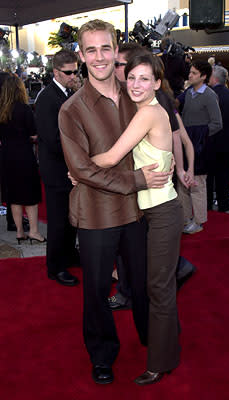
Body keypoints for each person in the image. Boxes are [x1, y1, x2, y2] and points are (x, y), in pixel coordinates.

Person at [59, 19, 171, 385]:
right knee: (95, 291)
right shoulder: (71, 110)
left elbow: (166, 127)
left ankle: (150, 338)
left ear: (115, 47)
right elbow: (82, 169)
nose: (100, 57)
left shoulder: (135, 93)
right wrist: (137, 179)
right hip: (95, 214)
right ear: (81, 56)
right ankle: (102, 354)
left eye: (105, 48)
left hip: (139, 210)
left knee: (141, 284)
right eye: (91, 50)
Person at [91, 52, 183, 385]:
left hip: (162, 212)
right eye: (131, 77)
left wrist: (80, 169)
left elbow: (114, 155)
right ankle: (169, 345)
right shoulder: (145, 110)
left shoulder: (149, 113)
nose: (135, 84)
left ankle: (160, 361)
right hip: (149, 210)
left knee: (157, 287)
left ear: (158, 83)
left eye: (144, 78)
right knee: (157, 284)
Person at [108, 43, 195, 311]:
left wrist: (180, 169)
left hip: (154, 199)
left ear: (156, 82)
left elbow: (177, 137)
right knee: (149, 265)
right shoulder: (130, 100)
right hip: (141, 198)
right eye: (126, 71)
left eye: (126, 66)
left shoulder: (154, 105)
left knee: (157, 277)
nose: (123, 73)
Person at [35, 49, 80, 287]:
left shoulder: (66, 93)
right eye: (69, 72)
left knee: (71, 218)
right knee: (58, 220)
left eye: (76, 71)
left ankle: (70, 255)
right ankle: (56, 267)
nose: (74, 75)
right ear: (56, 72)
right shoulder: (46, 98)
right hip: (57, 171)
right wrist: (79, 149)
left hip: (69, 169)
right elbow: (52, 139)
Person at [177, 60, 222, 234]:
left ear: (203, 76)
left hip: (201, 148)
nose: (190, 75)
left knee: (198, 185)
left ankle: (199, 221)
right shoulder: (188, 93)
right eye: (190, 72)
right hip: (186, 146)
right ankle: (186, 219)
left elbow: (217, 123)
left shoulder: (209, 95)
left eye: (194, 73)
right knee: (183, 184)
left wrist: (199, 136)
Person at [0, 74, 44, 244]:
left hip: (6, 156)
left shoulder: (2, 110)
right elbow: (34, 133)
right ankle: (33, 231)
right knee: (30, 195)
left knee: (14, 195)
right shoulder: (24, 109)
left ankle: (19, 231)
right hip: (24, 155)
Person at [208, 65, 229, 212]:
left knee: (208, 177)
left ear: (213, 78)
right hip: (227, 142)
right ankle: (223, 204)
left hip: (208, 142)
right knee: (223, 175)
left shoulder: (205, 95)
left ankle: (207, 204)